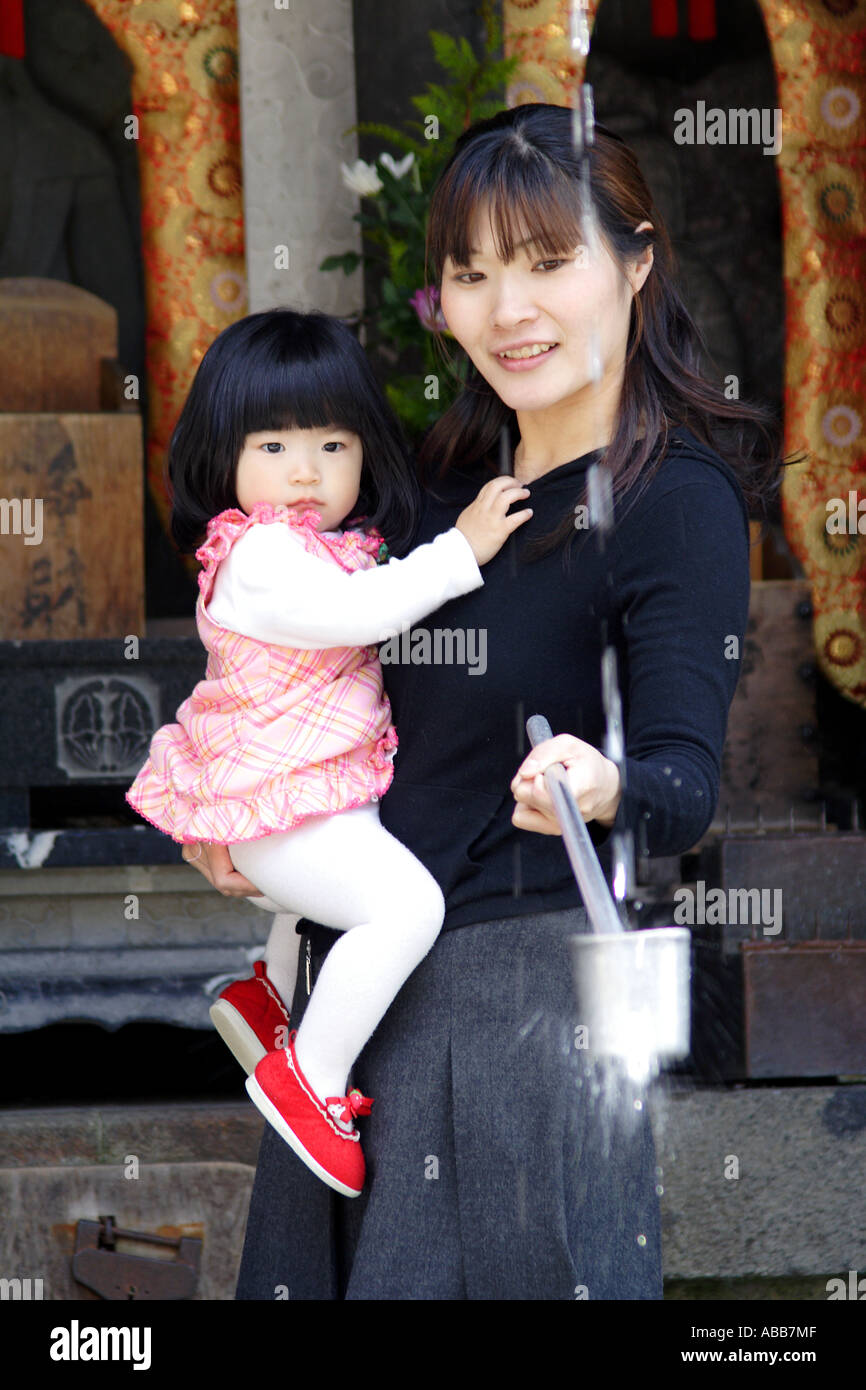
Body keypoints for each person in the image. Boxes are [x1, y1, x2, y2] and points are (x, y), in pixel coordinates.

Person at [182, 105, 787, 1300]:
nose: (508, 310)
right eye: (472, 273)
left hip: (521, 1008)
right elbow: (283, 650)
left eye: (548, 262)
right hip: (349, 1012)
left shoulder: (672, 501)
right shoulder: (430, 491)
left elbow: (681, 782)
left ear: (635, 259)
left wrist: (602, 780)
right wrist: (230, 801)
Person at [126, 307, 533, 1197]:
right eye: (272, 447)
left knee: (351, 868)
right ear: (222, 457)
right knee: (404, 910)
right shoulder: (263, 553)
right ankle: (310, 1077)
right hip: (282, 811)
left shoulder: (322, 545)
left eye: (333, 445)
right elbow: (366, 614)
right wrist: (461, 549)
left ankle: (266, 1000)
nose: (305, 470)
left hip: (299, 803)